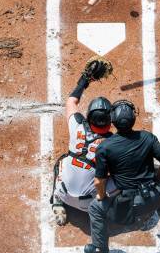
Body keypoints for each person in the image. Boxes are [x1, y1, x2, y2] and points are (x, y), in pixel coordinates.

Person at [84, 100, 160, 253]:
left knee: (94, 207)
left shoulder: (105, 147)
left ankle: (100, 251)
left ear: (112, 120)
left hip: (127, 208)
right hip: (154, 197)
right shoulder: (147, 137)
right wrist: (157, 179)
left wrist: (102, 197)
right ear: (133, 119)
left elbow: (99, 181)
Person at [50, 63, 117, 225]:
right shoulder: (114, 143)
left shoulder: (77, 127)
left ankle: (56, 200)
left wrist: (85, 80)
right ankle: (109, 208)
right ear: (110, 121)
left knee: (62, 160)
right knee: (123, 176)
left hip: (63, 192)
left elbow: (71, 102)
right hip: (89, 204)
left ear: (88, 117)